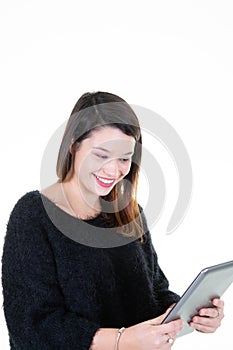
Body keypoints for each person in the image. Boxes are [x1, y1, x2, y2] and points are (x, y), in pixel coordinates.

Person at [2, 91, 224, 350]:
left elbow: (155, 290)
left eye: (124, 158)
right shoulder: (33, 216)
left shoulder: (129, 212)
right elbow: (31, 326)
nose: (113, 170)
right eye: (101, 155)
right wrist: (121, 340)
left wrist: (186, 314)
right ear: (74, 145)